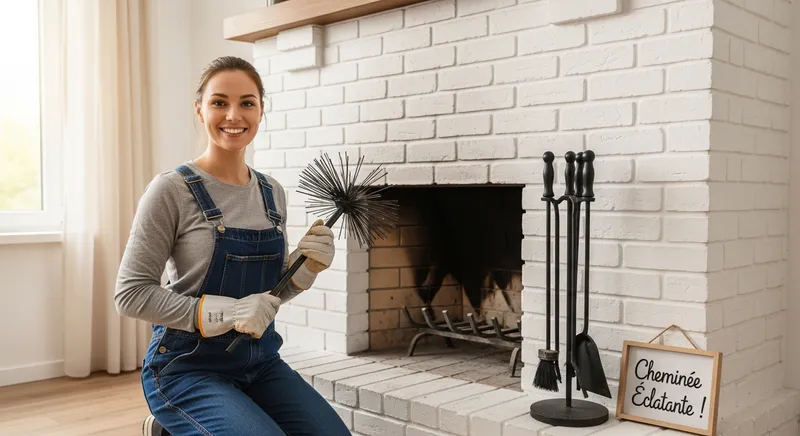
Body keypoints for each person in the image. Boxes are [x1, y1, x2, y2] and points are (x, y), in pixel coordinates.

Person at [115, 56, 352, 436]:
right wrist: (225, 313)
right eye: (219, 102)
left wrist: (304, 270)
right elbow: (130, 294)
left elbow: (264, 301)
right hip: (186, 367)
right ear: (199, 109)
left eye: (247, 102)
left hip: (260, 362)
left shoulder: (271, 192)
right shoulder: (171, 190)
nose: (233, 115)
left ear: (261, 110)